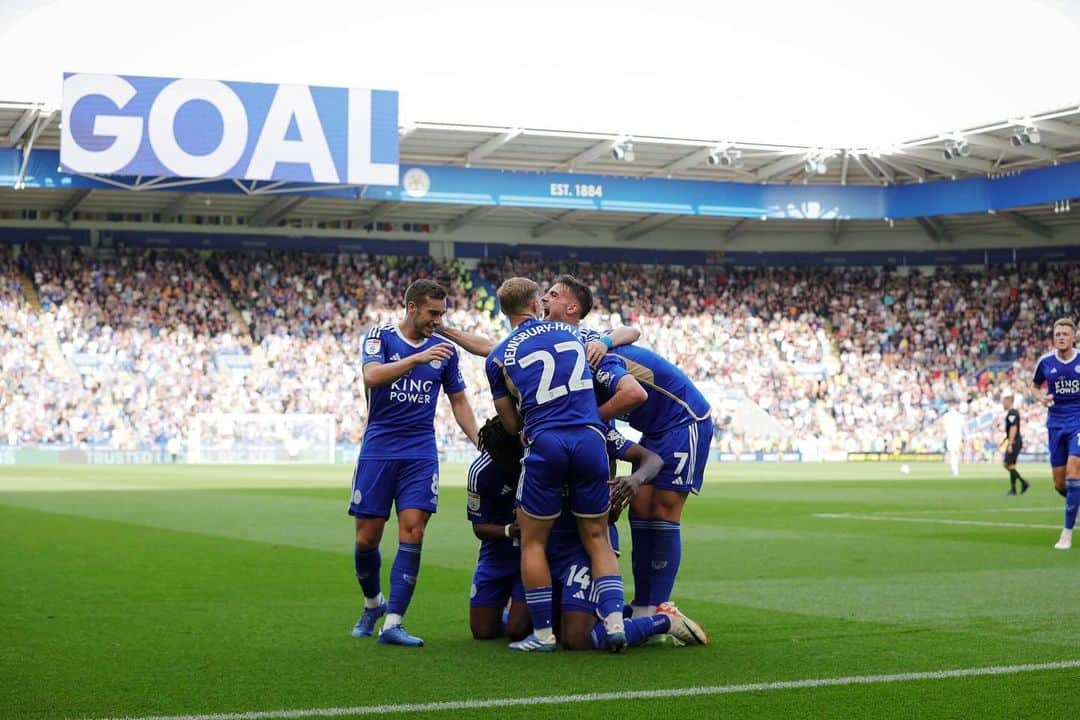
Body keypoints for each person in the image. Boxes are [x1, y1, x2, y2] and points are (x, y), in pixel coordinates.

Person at [542, 274, 713, 619]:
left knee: (663, 510)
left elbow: (631, 358)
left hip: (684, 419)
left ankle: (658, 604)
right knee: (640, 510)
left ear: (572, 307)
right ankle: (645, 605)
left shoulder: (588, 346)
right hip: (653, 428)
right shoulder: (563, 343)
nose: (544, 299)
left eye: (552, 294)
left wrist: (587, 420)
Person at [485, 277, 636, 652]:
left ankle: (542, 635)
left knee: (533, 541)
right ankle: (616, 623)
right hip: (589, 440)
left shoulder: (499, 355)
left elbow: (510, 424)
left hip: (546, 441)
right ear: (536, 303)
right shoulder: (575, 334)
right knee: (598, 537)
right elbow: (626, 333)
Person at [349, 279, 479, 647]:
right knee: (366, 537)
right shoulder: (381, 338)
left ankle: (394, 622)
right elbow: (372, 376)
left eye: (442, 314)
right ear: (411, 307)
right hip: (379, 449)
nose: (437, 321)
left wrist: (480, 442)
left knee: (414, 531)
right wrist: (415, 359)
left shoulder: (445, 350)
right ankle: (373, 603)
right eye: (432, 313)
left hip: (420, 451)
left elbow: (459, 400)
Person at [551, 425, 709, 651]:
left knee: (577, 638)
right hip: (548, 544)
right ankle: (624, 611)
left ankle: (663, 621)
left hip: (586, 546)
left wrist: (634, 480)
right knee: (529, 626)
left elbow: (652, 459)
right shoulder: (532, 427)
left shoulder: (596, 429)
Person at [467, 417, 530, 641]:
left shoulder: (534, 462)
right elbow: (479, 528)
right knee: (482, 632)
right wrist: (509, 531)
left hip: (532, 554)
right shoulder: (481, 471)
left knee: (517, 631)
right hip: (496, 555)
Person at [1032, 318, 1080, 550]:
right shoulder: (1045, 362)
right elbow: (1034, 387)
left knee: (1074, 472)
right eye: (1057, 333)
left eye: (1065, 334)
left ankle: (1066, 534)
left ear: (1074, 338)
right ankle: (1076, 503)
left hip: (1078, 422)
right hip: (1055, 424)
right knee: (1060, 483)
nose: (1060, 337)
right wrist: (1041, 397)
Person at [1000, 393, 1028, 495]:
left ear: (1009, 402)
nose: (1003, 404)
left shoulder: (1012, 413)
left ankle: (1023, 483)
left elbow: (1013, 428)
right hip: (1015, 440)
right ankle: (1015, 489)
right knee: (1011, 465)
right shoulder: (1012, 413)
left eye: (1004, 402)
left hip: (1015, 441)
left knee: (1007, 464)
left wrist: (1010, 443)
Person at [942, 403, 965, 477]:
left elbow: (944, 426)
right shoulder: (959, 416)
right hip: (956, 436)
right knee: (954, 453)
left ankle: (955, 470)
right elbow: (963, 426)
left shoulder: (946, 416)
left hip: (951, 436)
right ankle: (955, 470)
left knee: (953, 453)